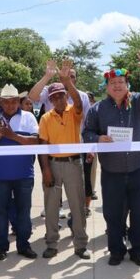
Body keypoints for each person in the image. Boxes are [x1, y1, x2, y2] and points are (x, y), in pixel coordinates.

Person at [83, 51, 140, 267]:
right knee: (112, 214)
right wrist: (98, 137)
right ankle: (116, 251)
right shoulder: (97, 109)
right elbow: (86, 133)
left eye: (121, 82)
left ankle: (138, 251)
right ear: (107, 86)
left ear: (127, 84)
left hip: (136, 169)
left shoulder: (137, 102)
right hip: (111, 172)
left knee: (139, 213)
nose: (117, 85)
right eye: (113, 82)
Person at [0, 84, 40, 260]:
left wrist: (12, 135)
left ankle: (23, 245)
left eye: (14, 101)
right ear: (0, 102)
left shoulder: (28, 117)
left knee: (24, 212)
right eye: (6, 102)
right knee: (1, 213)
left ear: (19, 101)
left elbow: (37, 142)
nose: (10, 105)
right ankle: (1, 247)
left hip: (24, 174)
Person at [38, 61, 90, 260]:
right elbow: (43, 145)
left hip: (73, 164)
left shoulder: (74, 112)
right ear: (50, 100)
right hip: (52, 164)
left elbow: (78, 101)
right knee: (51, 206)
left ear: (66, 95)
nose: (58, 99)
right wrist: (46, 171)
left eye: (61, 95)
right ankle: (52, 243)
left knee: (77, 206)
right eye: (54, 97)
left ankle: (80, 245)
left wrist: (67, 81)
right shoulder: (46, 118)